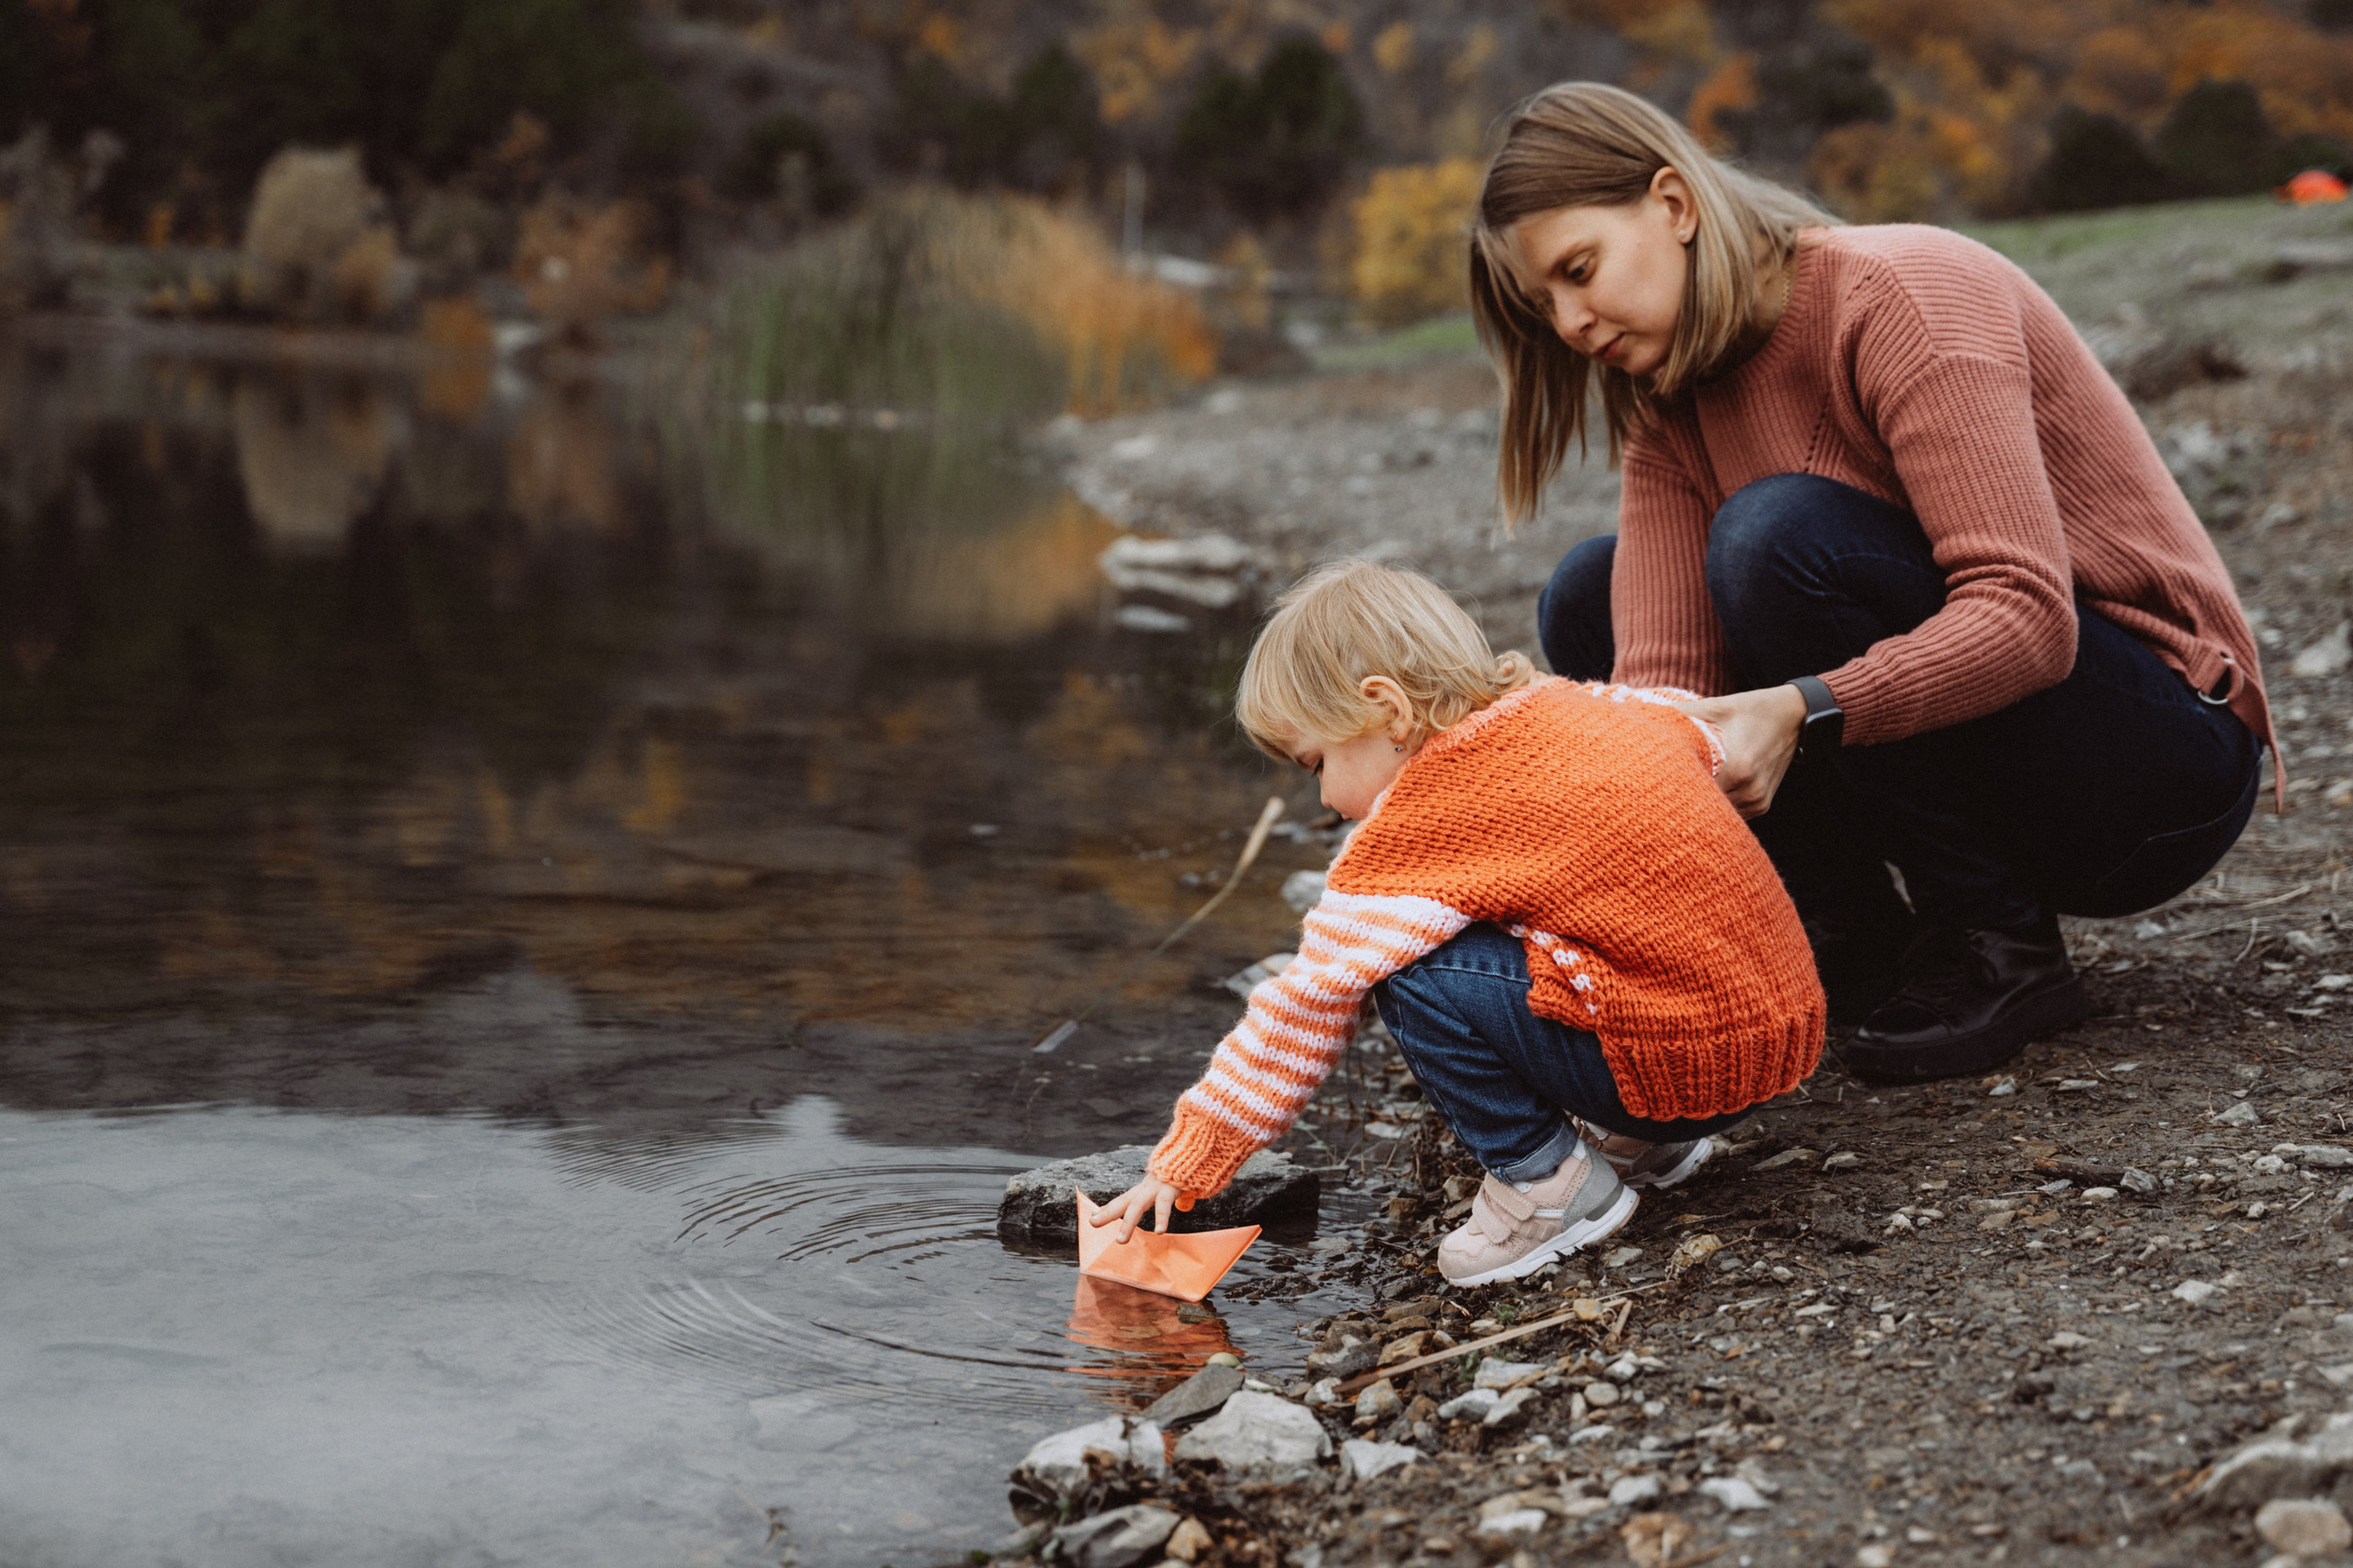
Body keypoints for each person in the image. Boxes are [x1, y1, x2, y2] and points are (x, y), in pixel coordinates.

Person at [1468, 83, 2272, 1084]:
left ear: (1672, 204)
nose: (1573, 322)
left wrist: (1805, 707)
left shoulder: (1899, 292)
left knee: (1773, 537)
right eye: (1545, 306)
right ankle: (1844, 943)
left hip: (2157, 762)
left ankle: (1998, 944)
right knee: (1587, 593)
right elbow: (1663, 686)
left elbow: (2026, 618)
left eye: (1576, 271)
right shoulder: (1668, 402)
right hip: (2014, 762)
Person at [1092, 560, 1824, 1285]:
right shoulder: (1597, 709)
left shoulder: (1418, 828)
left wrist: (1188, 1159)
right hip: (1771, 1039)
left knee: (1408, 973)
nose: (1324, 799)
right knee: (1577, 924)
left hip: (1673, 1066)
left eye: (1317, 763)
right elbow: (1704, 734)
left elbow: (1304, 1003)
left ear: (1389, 711)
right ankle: (1648, 1142)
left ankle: (1549, 1187)